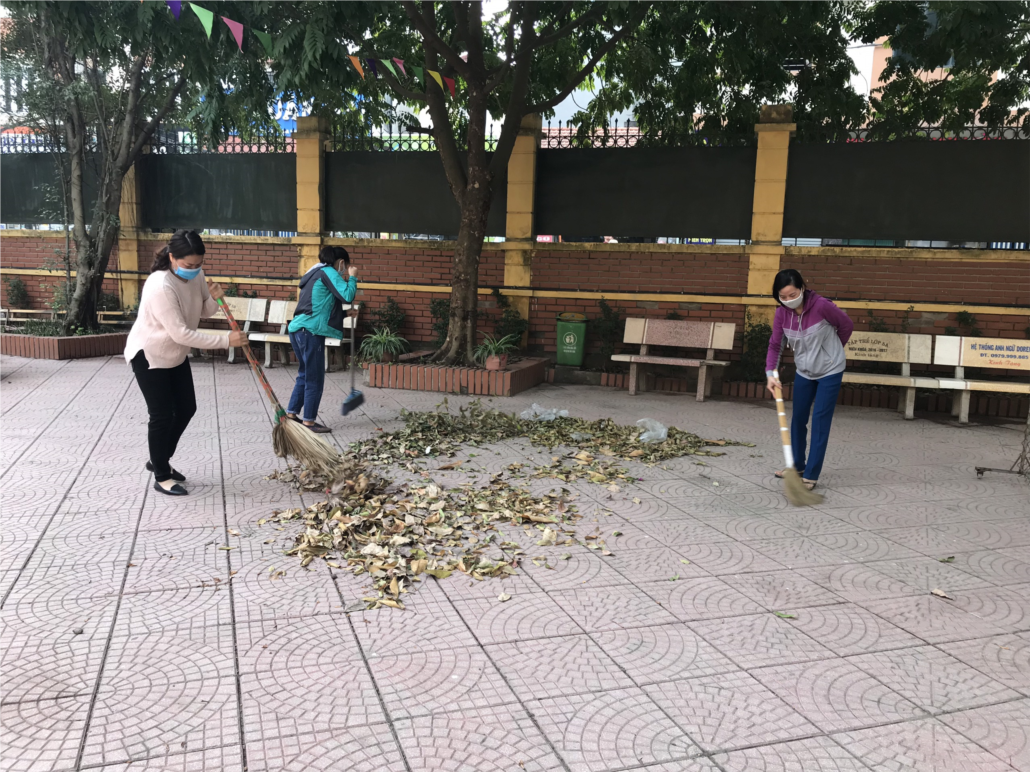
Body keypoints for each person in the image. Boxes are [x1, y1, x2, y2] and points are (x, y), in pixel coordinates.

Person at [124, 229, 247, 497]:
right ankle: (161, 475)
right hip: (150, 355)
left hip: (176, 354)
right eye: (188, 265)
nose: (194, 269)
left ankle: (159, 458)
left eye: (198, 264)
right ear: (172, 257)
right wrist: (226, 340)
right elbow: (180, 333)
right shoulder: (160, 286)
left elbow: (204, 310)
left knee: (186, 408)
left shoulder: (196, 274)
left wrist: (215, 297)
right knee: (161, 415)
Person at [765, 269, 853, 490]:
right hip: (804, 371)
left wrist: (831, 352)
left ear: (802, 288)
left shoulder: (821, 306)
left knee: (820, 421)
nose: (788, 300)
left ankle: (811, 474)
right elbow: (775, 345)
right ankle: (797, 466)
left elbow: (846, 325)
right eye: (783, 297)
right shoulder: (781, 314)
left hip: (830, 370)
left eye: (792, 294)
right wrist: (770, 374)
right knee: (798, 419)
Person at [286, 246, 358, 433]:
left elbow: (320, 306)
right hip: (309, 332)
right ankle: (309, 422)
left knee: (305, 374)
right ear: (341, 262)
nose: (344, 270)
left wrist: (345, 314)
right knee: (315, 378)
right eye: (345, 266)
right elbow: (347, 295)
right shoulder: (329, 271)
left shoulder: (314, 273)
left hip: (298, 329)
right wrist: (352, 277)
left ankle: (291, 415)